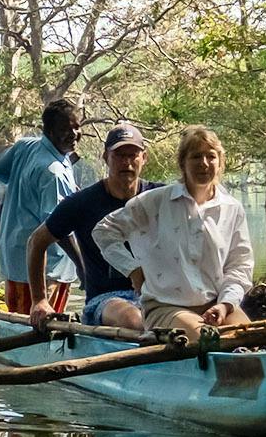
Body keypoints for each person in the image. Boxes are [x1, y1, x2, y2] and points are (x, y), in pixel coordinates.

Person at [92, 125, 254, 336]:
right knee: (205, 338)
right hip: (165, 307)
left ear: (220, 161)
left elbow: (239, 266)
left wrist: (225, 305)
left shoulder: (232, 209)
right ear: (183, 163)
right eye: (196, 157)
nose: (204, 164)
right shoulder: (155, 201)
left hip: (215, 306)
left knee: (253, 339)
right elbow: (104, 231)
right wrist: (133, 270)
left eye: (211, 156)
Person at [25, 122, 148, 330]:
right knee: (135, 321)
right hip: (107, 300)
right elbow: (36, 242)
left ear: (144, 158)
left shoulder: (157, 198)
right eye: (119, 155)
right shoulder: (82, 202)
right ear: (105, 158)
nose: (126, 162)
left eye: (133, 155)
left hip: (155, 295)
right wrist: (39, 300)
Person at [0, 97, 83, 315]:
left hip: (14, 256)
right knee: (38, 324)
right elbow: (60, 230)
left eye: (77, 127)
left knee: (19, 320)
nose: (74, 134)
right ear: (48, 130)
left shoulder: (25, 146)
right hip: (44, 271)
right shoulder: (52, 173)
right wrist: (83, 266)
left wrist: (24, 191)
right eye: (65, 129)